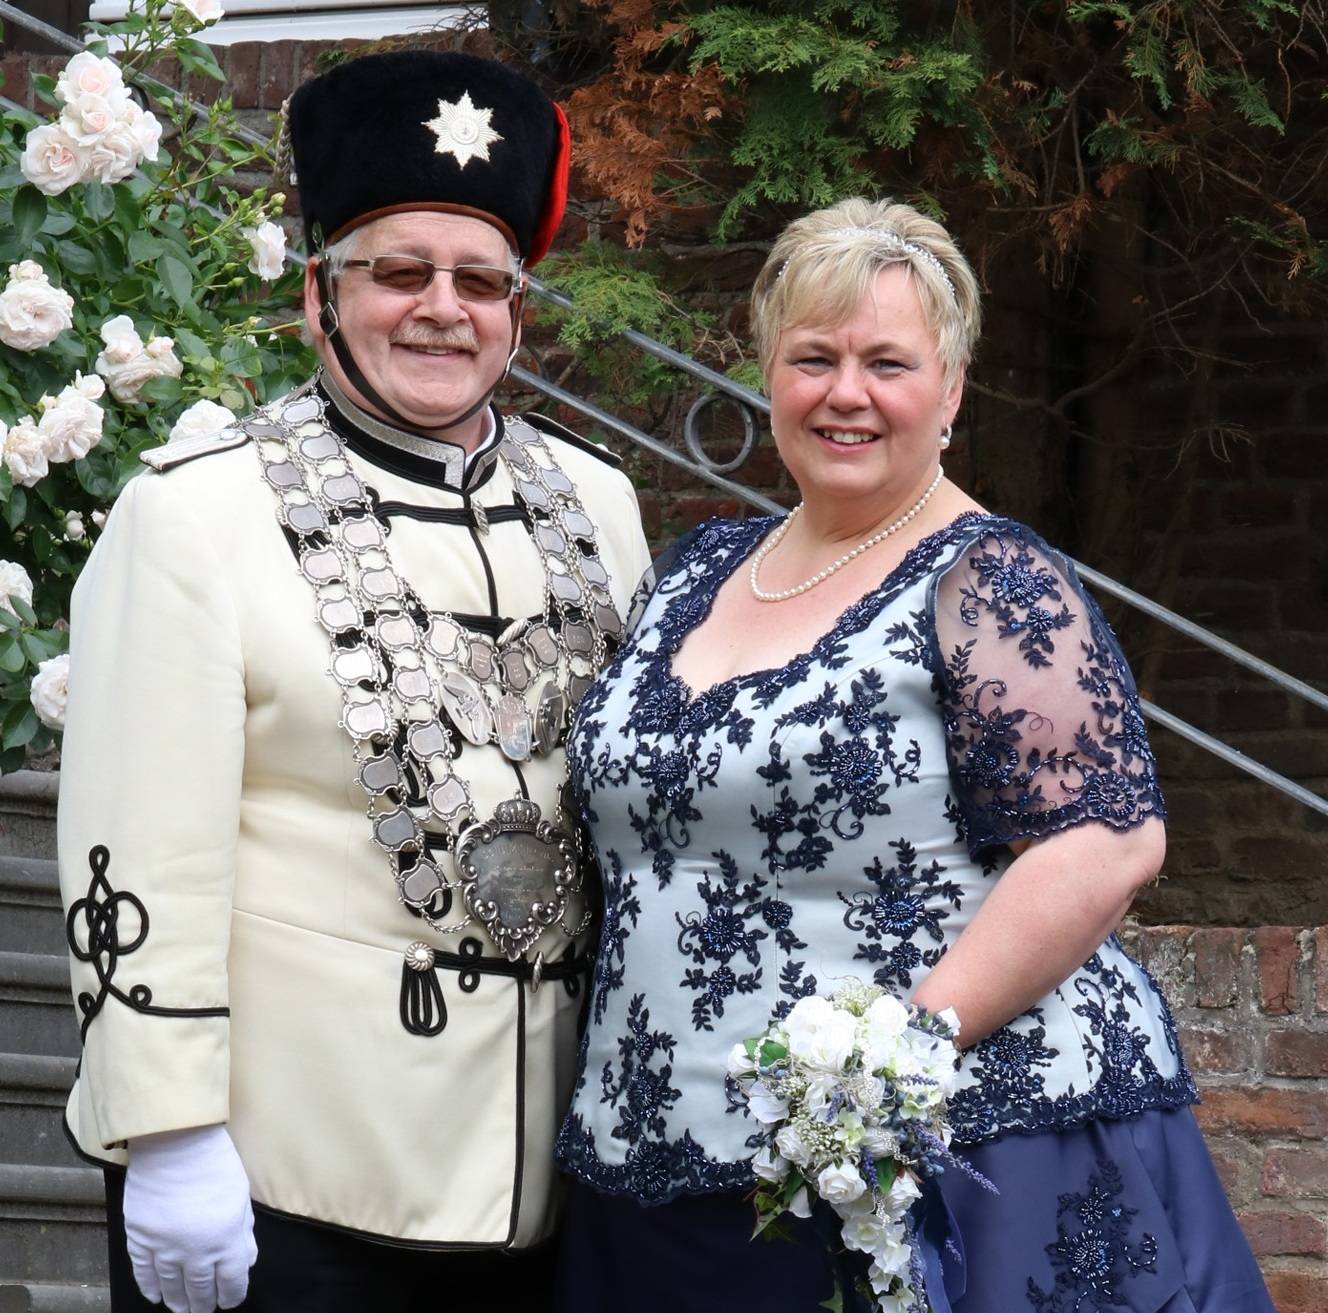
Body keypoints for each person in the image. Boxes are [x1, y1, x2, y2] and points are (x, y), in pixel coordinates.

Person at [552, 197, 1274, 1312]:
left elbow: (1103, 841)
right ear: (767, 372)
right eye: (812, 357)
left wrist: (897, 1051)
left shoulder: (987, 581)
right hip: (643, 1162)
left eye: (886, 360)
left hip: (922, 1166)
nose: (845, 392)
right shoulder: (697, 568)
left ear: (949, 388)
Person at [57, 50, 650, 1313]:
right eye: (399, 270)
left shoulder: (601, 506)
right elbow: (136, 850)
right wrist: (166, 1135)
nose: (444, 307)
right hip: (288, 1186)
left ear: (516, 309)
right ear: (320, 292)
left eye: (480, 279)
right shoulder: (194, 514)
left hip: (547, 1192)